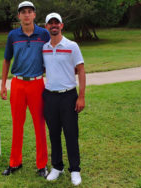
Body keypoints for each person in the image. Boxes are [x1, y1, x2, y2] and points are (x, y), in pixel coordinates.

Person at [1, 1, 50, 177]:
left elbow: (51, 55)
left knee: (39, 125)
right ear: (19, 16)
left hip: (37, 84)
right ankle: (15, 162)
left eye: (30, 12)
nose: (27, 15)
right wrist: (3, 85)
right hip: (18, 84)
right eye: (23, 12)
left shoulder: (43, 34)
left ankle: (42, 165)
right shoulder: (13, 35)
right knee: (17, 125)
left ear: (34, 15)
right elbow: (7, 60)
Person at [42, 12, 86, 186]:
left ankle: (75, 169)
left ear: (62, 25)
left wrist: (81, 97)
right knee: (53, 134)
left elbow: (80, 70)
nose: (53, 25)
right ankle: (57, 167)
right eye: (50, 23)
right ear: (46, 27)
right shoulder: (44, 47)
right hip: (50, 96)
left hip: (68, 96)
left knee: (71, 134)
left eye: (56, 23)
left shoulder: (72, 45)